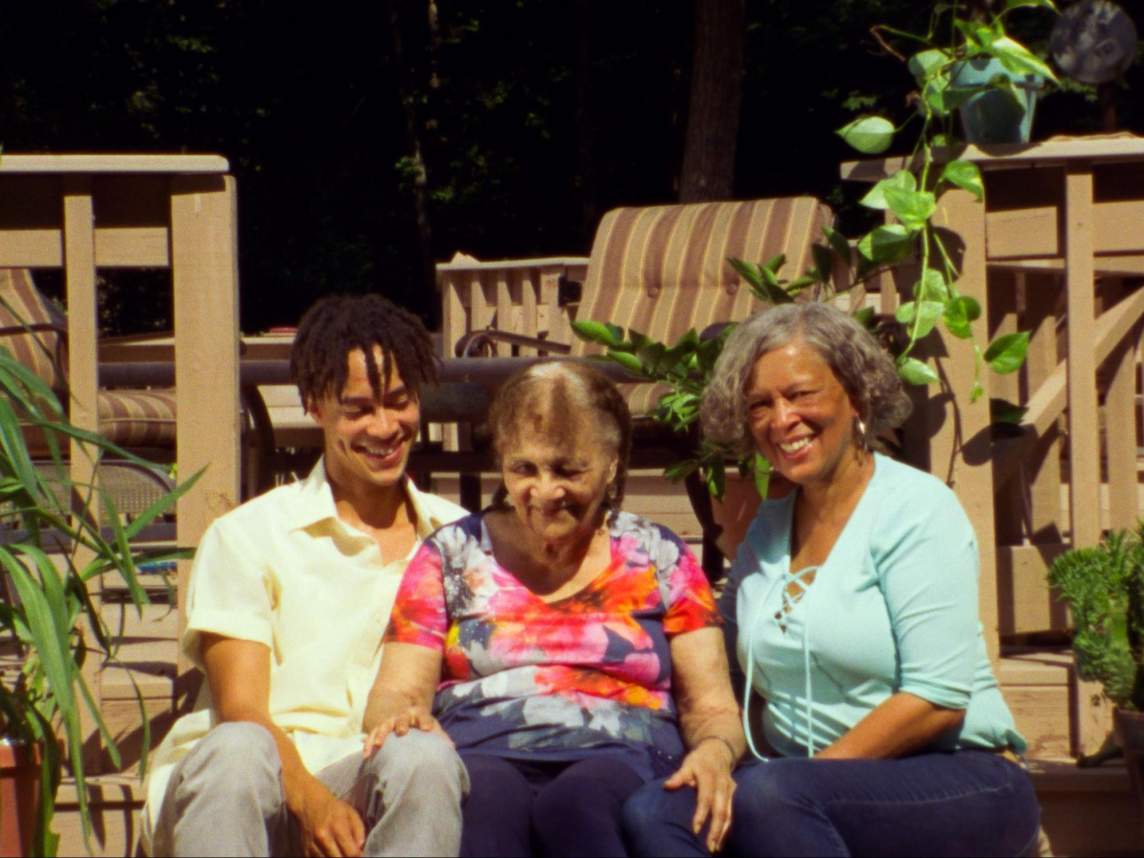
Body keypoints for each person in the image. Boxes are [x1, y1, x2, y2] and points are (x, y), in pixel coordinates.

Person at [622, 302, 1041, 857]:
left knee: (772, 796)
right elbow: (721, 667)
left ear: (857, 395)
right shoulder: (770, 527)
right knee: (655, 810)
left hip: (959, 777)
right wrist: (715, 755)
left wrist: (799, 781)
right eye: (760, 405)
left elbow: (937, 698)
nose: (781, 420)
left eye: (801, 394)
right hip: (801, 784)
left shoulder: (915, 510)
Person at [361, 360, 746, 858]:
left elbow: (712, 706)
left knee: (578, 802)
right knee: (487, 801)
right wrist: (404, 717)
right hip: (481, 746)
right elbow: (394, 691)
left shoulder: (659, 554)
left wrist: (715, 752)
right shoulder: (452, 554)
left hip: (620, 752)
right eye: (525, 468)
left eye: (567, 469)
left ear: (611, 463)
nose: (545, 492)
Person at [140, 294, 470, 857]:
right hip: (249, 792)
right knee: (239, 747)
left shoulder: (458, 539)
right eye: (359, 409)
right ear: (315, 406)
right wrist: (312, 800)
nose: (385, 427)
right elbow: (241, 709)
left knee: (423, 755)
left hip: (367, 779)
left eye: (399, 402)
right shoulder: (250, 535)